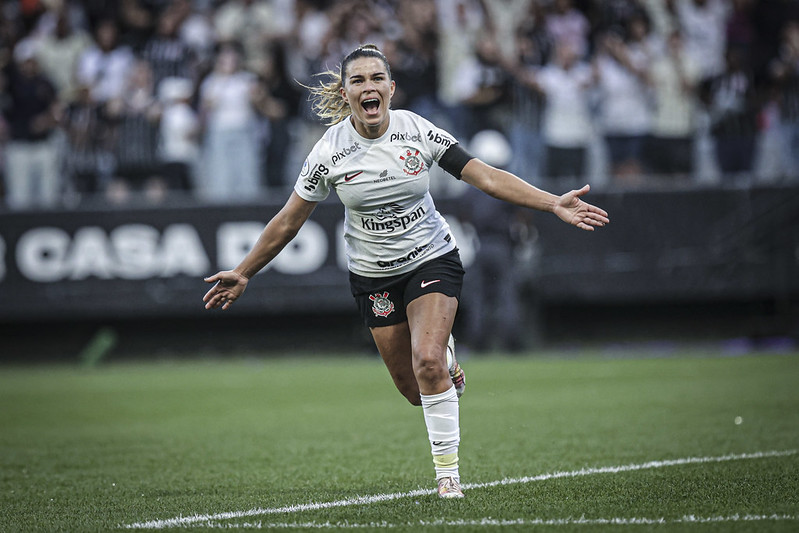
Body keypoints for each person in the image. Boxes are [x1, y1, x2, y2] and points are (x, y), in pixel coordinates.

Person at [202, 44, 609, 499]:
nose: (368, 87)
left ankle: (448, 477)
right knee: (415, 389)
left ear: (391, 88)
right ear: (346, 91)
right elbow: (289, 220)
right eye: (358, 80)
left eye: (377, 78)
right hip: (373, 276)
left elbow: (487, 176)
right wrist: (245, 271)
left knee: (427, 361)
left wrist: (552, 201)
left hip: (431, 258)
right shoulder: (328, 152)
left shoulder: (417, 130)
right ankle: (448, 362)